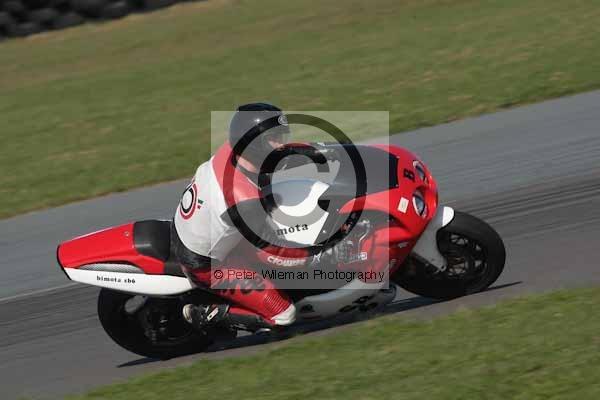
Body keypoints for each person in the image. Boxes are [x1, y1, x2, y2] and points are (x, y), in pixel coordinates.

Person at [172, 102, 327, 331]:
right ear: (254, 145)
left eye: (281, 136)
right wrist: (314, 255)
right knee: (284, 314)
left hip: (204, 229)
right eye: (273, 139)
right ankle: (206, 312)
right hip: (208, 264)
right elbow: (272, 250)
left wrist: (323, 151)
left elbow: (283, 155)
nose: (281, 144)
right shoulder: (243, 198)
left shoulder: (232, 150)